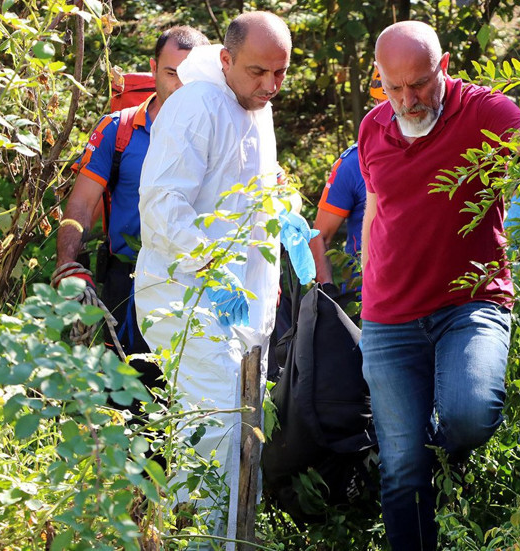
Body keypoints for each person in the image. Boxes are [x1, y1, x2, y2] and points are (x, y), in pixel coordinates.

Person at [357, 21, 520, 550]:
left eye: (418, 84)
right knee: (400, 469)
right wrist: (366, 286)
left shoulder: (486, 112)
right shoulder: (373, 128)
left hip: (471, 302)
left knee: (469, 416)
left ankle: (442, 469)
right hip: (388, 317)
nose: (407, 99)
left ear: (443, 68)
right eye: (393, 87)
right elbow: (376, 210)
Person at [132, 12, 310, 546]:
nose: (271, 86)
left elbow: (250, 185)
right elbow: (163, 207)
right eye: (259, 72)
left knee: (243, 427)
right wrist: (213, 270)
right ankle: (203, 541)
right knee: (215, 431)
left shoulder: (254, 103)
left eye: (281, 73)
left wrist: (287, 211)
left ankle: (235, 539)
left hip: (239, 303)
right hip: (188, 297)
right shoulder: (196, 105)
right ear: (226, 60)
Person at [55, 26, 210, 396]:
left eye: (191, 76)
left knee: (191, 399)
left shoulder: (221, 132)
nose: (180, 86)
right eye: (172, 73)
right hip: (127, 285)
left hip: (198, 286)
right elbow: (81, 203)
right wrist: (67, 264)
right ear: (154, 68)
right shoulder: (119, 130)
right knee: (126, 400)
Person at [308, 69, 387, 287]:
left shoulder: (433, 153)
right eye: (380, 103)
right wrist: (327, 289)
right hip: (365, 295)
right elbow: (319, 235)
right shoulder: (353, 163)